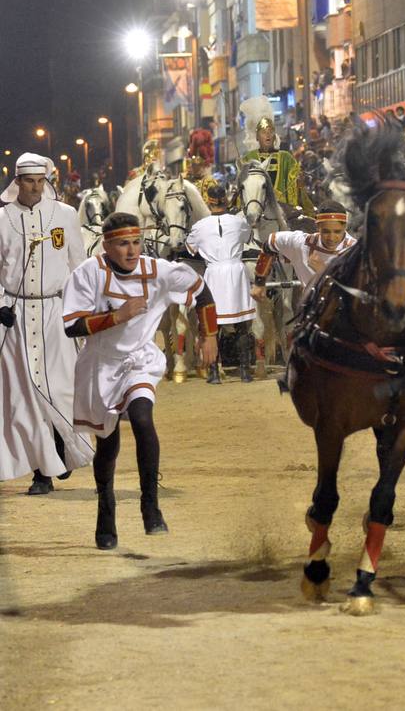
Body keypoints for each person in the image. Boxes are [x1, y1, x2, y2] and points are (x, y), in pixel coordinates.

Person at [63, 212, 220, 549]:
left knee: (142, 418)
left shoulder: (158, 270)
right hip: (101, 365)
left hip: (140, 359)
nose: (132, 251)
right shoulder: (88, 273)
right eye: (123, 244)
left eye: (136, 242)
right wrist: (115, 316)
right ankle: (106, 507)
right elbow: (71, 325)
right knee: (107, 444)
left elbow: (201, 292)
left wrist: (209, 335)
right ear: (107, 245)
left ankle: (151, 506)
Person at [0, 154, 94, 493]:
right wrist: (1, 305)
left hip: (56, 312)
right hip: (17, 317)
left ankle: (63, 449)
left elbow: (79, 267)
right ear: (17, 182)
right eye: (29, 181)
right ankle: (43, 472)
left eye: (41, 181)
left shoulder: (65, 215)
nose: (36, 187)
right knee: (25, 396)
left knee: (62, 388)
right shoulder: (2, 219)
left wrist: (81, 312)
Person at [187, 184, 256, 384]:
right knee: (242, 324)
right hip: (236, 272)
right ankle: (245, 372)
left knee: (212, 325)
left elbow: (190, 249)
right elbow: (247, 238)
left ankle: (214, 373)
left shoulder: (199, 226)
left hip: (214, 274)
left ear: (208, 201)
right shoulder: (239, 222)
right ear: (225, 200)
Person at [253, 201, 357, 292]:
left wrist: (323, 271)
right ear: (317, 227)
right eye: (325, 231)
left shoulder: (355, 250)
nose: (331, 237)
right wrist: (259, 283)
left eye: (337, 232)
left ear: (345, 227)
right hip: (310, 309)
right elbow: (269, 244)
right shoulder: (301, 243)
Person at [242, 116, 313, 213]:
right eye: (263, 132)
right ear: (257, 137)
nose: (268, 135)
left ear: (274, 136)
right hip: (256, 209)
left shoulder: (286, 157)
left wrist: (299, 182)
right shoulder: (249, 158)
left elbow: (295, 183)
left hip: (284, 210)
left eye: (270, 132)